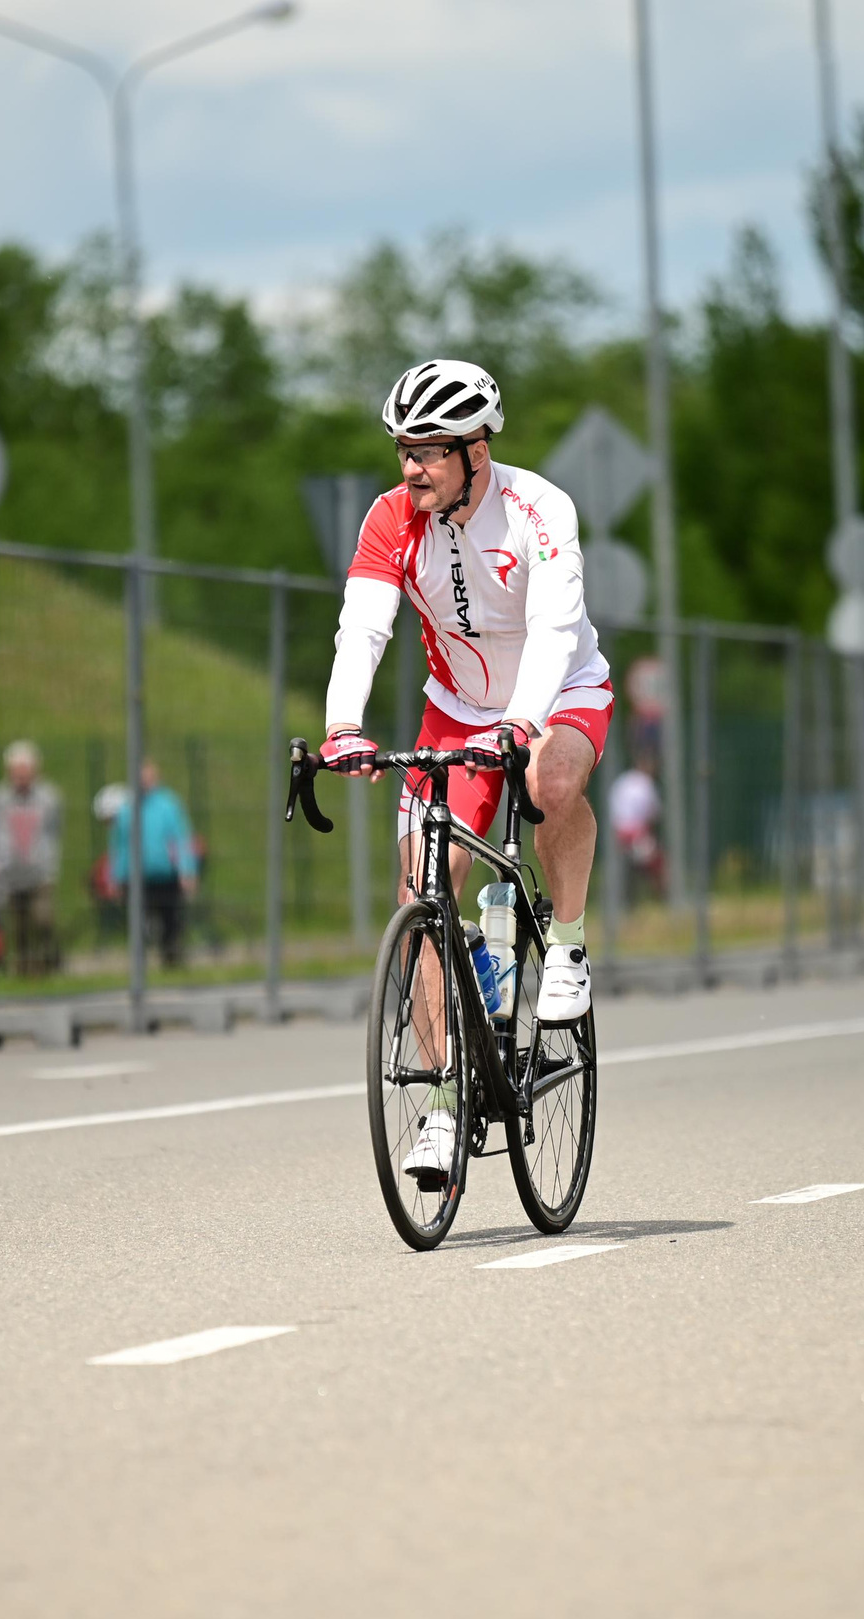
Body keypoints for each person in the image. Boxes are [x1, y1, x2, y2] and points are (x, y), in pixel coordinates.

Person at [316, 358, 613, 1189]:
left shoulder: (539, 508)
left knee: (551, 785)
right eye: (403, 450)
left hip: (559, 691)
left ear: (475, 451)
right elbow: (363, 627)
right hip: (455, 708)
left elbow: (555, 630)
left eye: (427, 452)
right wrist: (342, 726)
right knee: (421, 891)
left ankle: (567, 944)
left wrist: (523, 722)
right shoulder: (390, 518)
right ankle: (443, 1107)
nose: (410, 468)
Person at [107, 759, 199, 969]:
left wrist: (187, 870)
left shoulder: (169, 805)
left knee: (171, 920)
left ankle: (171, 960)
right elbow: (119, 844)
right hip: (135, 876)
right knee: (138, 922)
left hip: (165, 875)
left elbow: (181, 838)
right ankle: (140, 965)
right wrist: (115, 876)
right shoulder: (126, 807)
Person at [0, 739, 63, 976]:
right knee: (18, 926)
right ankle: (24, 969)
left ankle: (48, 962)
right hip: (10, 873)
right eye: (17, 771)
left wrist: (49, 864)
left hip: (40, 872)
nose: (21, 777)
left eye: (25, 771)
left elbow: (53, 833)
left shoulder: (48, 798)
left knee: (42, 919)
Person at [607, 758, 663, 906]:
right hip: (636, 834)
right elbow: (653, 813)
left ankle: (632, 898)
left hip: (620, 834)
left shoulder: (623, 781)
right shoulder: (646, 783)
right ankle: (662, 898)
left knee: (636, 864)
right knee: (658, 864)